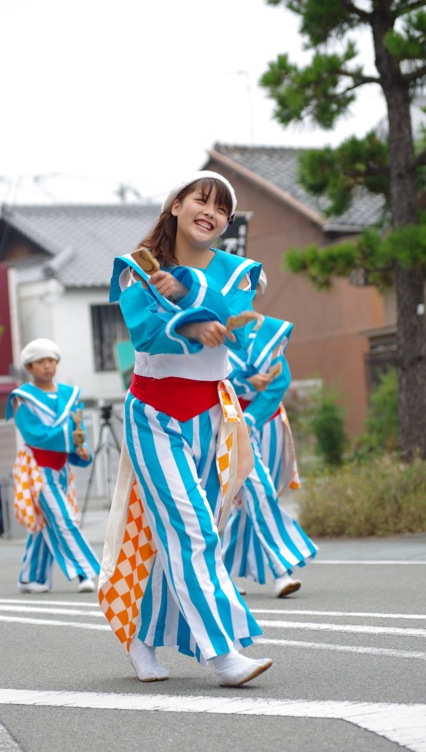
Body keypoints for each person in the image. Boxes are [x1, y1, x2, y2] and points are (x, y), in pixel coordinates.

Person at [98, 171, 273, 687]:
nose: (211, 213)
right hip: (153, 417)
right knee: (191, 530)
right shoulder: (139, 268)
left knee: (185, 535)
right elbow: (146, 333)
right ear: (175, 205)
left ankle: (141, 635)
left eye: (222, 209)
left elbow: (241, 326)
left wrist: (194, 295)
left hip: (214, 419)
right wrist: (189, 325)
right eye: (201, 200)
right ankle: (223, 654)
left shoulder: (238, 272)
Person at [222, 271, 318, 597]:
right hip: (231, 423)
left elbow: (279, 380)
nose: (245, 295)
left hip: (268, 422)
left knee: (255, 498)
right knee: (257, 490)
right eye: (238, 288)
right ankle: (281, 569)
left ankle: (219, 569)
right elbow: (212, 380)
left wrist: (253, 414)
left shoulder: (270, 331)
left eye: (251, 289)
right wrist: (246, 387)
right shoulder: (216, 331)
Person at [6, 338, 100, 594]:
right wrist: (71, 438)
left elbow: (78, 430)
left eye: (51, 360)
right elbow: (34, 434)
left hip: (61, 470)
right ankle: (89, 572)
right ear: (29, 366)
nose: (47, 366)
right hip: (36, 468)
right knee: (63, 518)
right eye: (40, 362)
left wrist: (82, 448)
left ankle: (30, 577)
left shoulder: (70, 395)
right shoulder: (22, 398)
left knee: (47, 521)